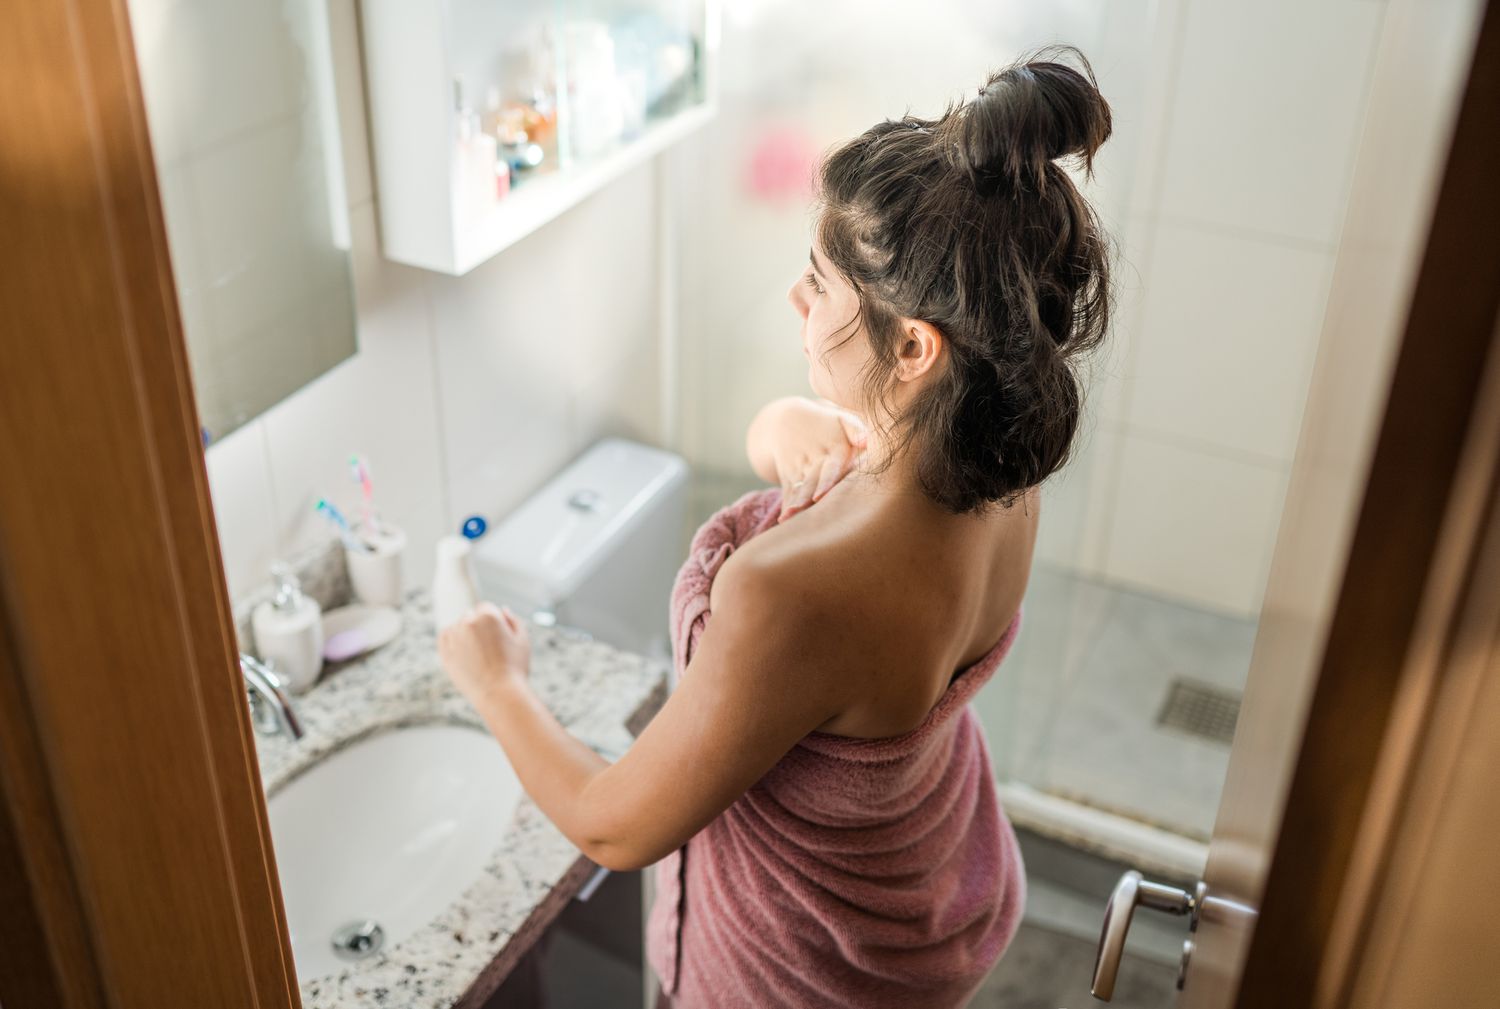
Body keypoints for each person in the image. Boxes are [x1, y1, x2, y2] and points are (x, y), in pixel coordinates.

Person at [438, 43, 1114, 1009]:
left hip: (795, 970)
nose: (797, 301)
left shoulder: (790, 595)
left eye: (822, 283)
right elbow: (842, 484)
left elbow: (612, 828)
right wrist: (787, 426)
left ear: (916, 347)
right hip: (925, 882)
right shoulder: (1002, 466)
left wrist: (495, 682)